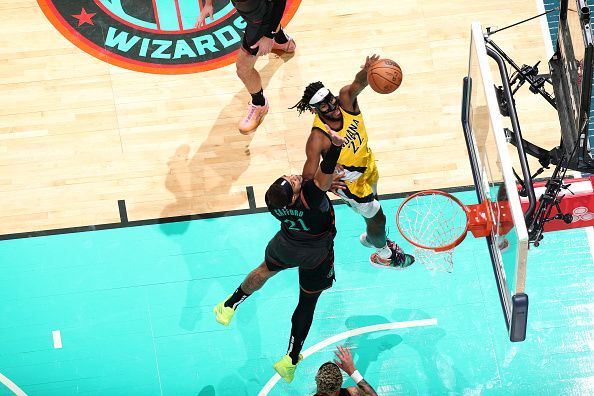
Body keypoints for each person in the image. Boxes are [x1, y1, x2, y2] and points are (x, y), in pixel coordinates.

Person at [213, 125, 344, 383]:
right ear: (296, 195)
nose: (295, 177)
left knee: (264, 270)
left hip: (286, 243)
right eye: (294, 182)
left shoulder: (274, 202)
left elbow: (316, 175)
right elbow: (325, 171)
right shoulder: (313, 196)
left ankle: (229, 306)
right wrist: (336, 147)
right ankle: (290, 360)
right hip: (315, 253)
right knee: (307, 302)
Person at [291, 54, 415, 269]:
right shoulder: (318, 138)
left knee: (374, 202)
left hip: (367, 163)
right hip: (349, 182)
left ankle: (371, 236)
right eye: (323, 106)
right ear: (314, 110)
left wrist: (369, 69)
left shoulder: (345, 100)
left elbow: (360, 82)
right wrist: (328, 184)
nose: (331, 106)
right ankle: (383, 254)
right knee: (378, 217)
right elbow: (309, 177)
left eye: (329, 99)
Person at [196, 0, 296, 134]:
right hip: (251, 9)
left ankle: (260, 104)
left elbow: (279, 2)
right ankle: (282, 41)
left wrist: (268, 35)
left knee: (243, 69)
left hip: (260, 21)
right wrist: (209, 4)